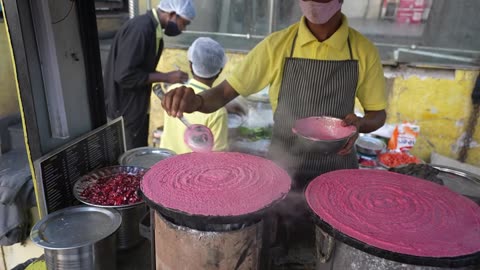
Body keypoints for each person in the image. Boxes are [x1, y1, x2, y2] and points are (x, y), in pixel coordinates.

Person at [162, 0, 387, 262]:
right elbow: (224, 92)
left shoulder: (362, 50)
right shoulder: (278, 45)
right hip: (284, 171)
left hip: (336, 171)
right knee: (279, 252)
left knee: (332, 256)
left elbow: (377, 115)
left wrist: (361, 123)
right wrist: (197, 101)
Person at [104, 0, 195, 150]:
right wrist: (166, 77)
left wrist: (168, 76)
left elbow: (140, 69)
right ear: (172, 14)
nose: (183, 29)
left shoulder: (153, 30)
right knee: (130, 155)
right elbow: (124, 75)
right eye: (183, 23)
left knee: (139, 148)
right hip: (124, 110)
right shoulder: (141, 29)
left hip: (135, 107)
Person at [160, 37, 229, 154]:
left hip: (165, 162)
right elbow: (218, 155)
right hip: (192, 171)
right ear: (220, 70)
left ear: (191, 65)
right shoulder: (218, 111)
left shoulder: (173, 92)